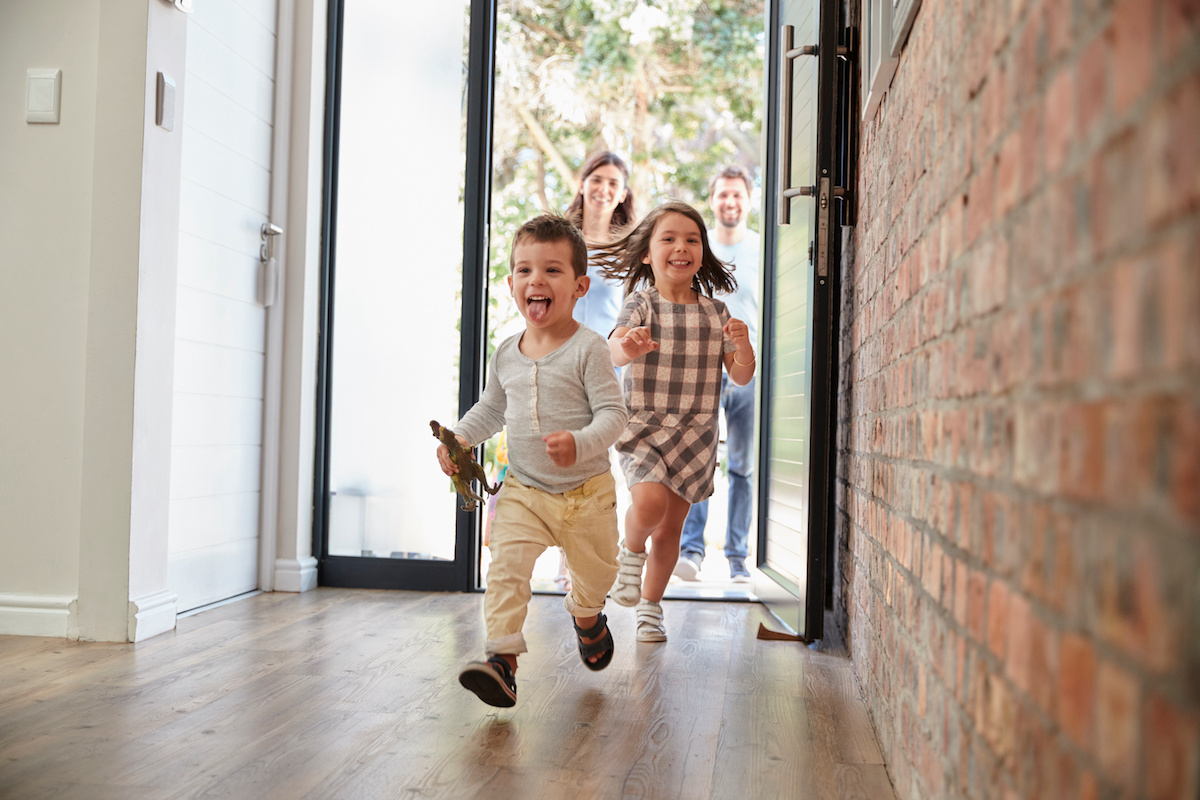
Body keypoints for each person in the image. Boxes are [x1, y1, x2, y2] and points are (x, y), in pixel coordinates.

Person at [438, 214, 629, 707]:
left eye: (552, 271)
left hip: (587, 494)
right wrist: (459, 439)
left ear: (579, 286)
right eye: (524, 271)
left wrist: (581, 442)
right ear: (511, 285)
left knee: (597, 575)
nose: (536, 281)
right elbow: (492, 409)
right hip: (524, 488)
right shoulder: (506, 353)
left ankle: (587, 616)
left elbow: (614, 415)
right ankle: (502, 661)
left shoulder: (590, 349)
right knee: (505, 566)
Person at [599, 201, 757, 643]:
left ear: (702, 253)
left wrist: (743, 347)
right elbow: (614, 350)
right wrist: (629, 346)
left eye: (691, 239)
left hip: (696, 435)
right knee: (648, 506)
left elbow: (741, 376)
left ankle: (651, 608)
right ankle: (630, 553)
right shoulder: (641, 303)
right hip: (645, 428)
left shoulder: (717, 313)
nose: (680, 247)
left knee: (671, 530)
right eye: (668, 238)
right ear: (648, 254)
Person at [674, 166, 761, 583]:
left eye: (737, 195)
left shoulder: (764, 250)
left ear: (749, 200)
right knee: (698, 461)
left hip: (746, 371)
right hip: (704, 371)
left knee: (742, 465)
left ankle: (738, 558)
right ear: (713, 199)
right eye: (723, 194)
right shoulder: (699, 252)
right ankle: (691, 552)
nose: (730, 202)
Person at [566, 151, 637, 338]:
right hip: (560, 356)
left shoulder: (629, 252)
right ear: (582, 186)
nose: (604, 189)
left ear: (623, 195)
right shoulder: (560, 242)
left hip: (608, 359)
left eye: (613, 183)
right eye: (596, 180)